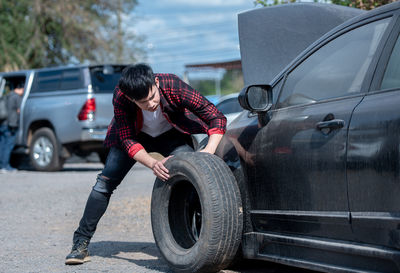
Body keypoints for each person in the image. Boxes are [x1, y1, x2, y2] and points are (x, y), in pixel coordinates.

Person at [65, 63, 227, 265]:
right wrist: (152, 163)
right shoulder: (121, 95)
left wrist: (207, 152)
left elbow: (216, 117)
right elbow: (126, 139)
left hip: (171, 135)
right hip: (135, 136)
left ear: (156, 83)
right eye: (143, 102)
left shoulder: (173, 85)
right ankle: (80, 243)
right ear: (131, 99)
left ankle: (198, 240)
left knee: (193, 180)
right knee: (104, 183)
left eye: (152, 96)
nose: (150, 103)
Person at [0, 83, 24, 173]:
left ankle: (1, 165)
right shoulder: (16, 97)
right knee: (8, 145)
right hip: (10, 124)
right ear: (21, 88)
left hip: (2, 122)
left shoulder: (7, 96)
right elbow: (19, 110)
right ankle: (5, 166)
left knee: (2, 144)